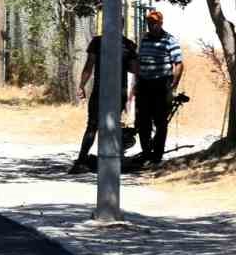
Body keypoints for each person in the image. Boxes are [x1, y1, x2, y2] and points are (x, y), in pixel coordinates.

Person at [71, 30, 137, 173]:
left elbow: (89, 65)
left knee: (92, 125)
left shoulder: (98, 42)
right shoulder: (127, 44)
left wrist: (82, 85)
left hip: (101, 91)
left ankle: (81, 161)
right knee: (111, 126)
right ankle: (110, 161)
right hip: (117, 92)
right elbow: (134, 68)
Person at [134, 9, 184, 166]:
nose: (151, 25)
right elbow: (139, 61)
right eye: (149, 23)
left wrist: (173, 85)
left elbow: (179, 64)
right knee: (143, 121)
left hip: (161, 84)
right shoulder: (145, 39)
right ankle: (146, 154)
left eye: (154, 23)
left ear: (161, 23)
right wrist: (137, 82)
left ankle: (157, 156)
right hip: (144, 84)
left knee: (160, 122)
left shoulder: (170, 40)